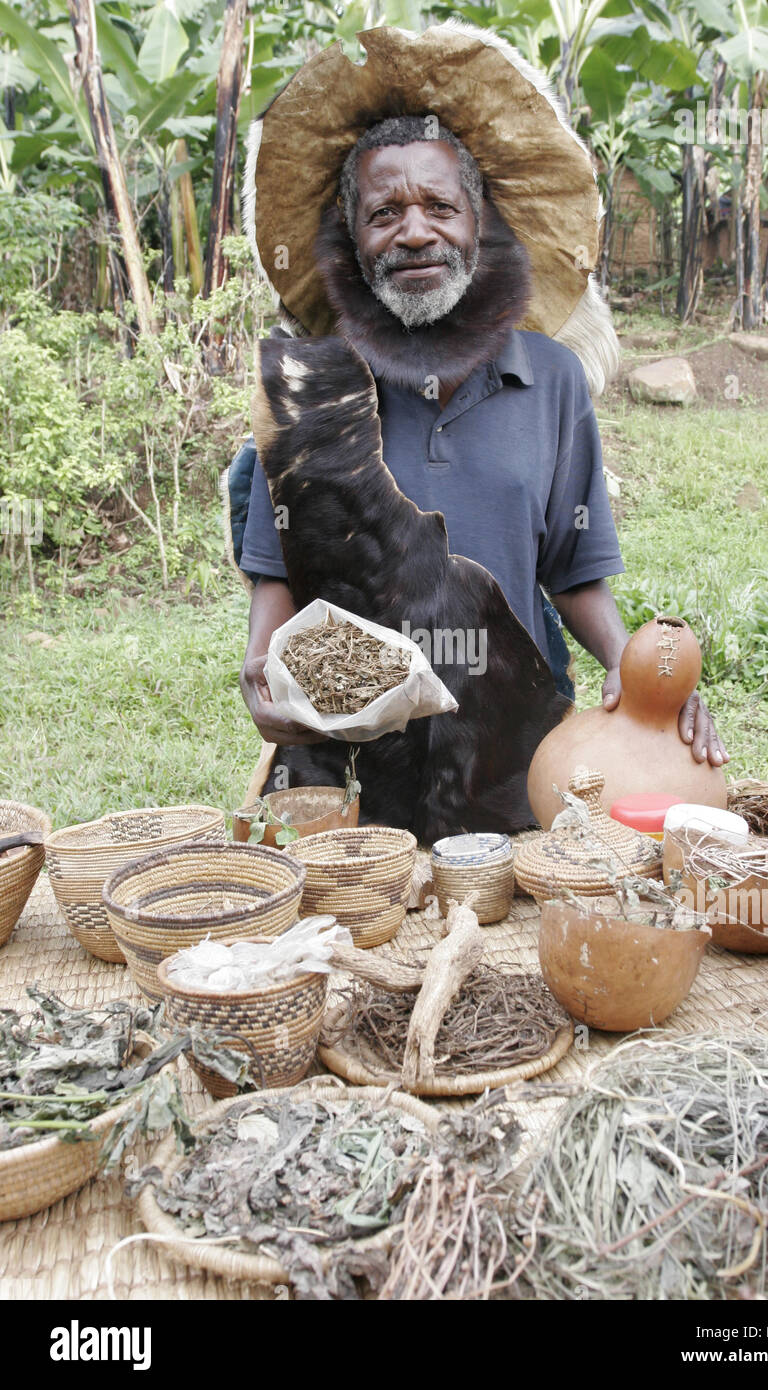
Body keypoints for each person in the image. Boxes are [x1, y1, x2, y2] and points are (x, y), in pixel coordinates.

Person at [231, 24, 728, 839]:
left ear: (480, 222)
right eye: (384, 212)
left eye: (439, 206)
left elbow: (574, 576)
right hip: (344, 781)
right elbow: (274, 575)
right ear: (354, 243)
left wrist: (644, 687)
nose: (414, 231)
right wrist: (261, 669)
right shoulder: (309, 386)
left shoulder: (552, 382)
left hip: (512, 760)